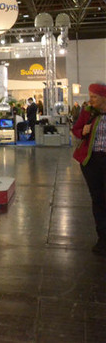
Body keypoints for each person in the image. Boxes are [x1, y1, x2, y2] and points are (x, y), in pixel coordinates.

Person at [72, 83, 106, 256]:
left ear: (104, 98)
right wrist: (83, 131)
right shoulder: (87, 112)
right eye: (90, 96)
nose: (90, 100)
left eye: (94, 97)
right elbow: (76, 129)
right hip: (91, 161)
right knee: (97, 199)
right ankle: (102, 238)